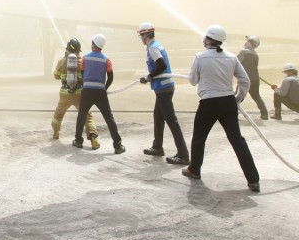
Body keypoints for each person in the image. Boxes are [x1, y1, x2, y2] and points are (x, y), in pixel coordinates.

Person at [183, 25, 260, 192]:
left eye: (206, 37)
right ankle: (253, 180)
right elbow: (245, 80)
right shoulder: (231, 57)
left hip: (209, 103)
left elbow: (192, 80)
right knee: (237, 141)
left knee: (198, 139)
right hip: (228, 102)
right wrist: (237, 98)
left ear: (209, 40)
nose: (203, 39)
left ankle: (194, 170)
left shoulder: (200, 57)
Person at [137, 22, 189, 165]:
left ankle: (183, 154)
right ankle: (157, 146)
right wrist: (150, 76)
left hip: (163, 88)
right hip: (164, 87)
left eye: (141, 35)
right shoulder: (156, 46)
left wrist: (149, 76)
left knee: (171, 121)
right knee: (158, 116)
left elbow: (162, 65)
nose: (141, 38)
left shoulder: (153, 48)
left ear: (146, 35)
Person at [73, 34, 125, 154]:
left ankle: (78, 141)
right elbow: (111, 77)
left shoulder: (85, 58)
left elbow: (82, 73)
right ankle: (117, 146)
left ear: (93, 44)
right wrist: (104, 88)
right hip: (100, 92)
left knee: (82, 115)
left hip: (87, 91)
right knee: (109, 118)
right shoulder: (106, 60)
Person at [51, 38, 100, 149]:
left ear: (67, 48)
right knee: (87, 116)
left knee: (59, 113)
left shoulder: (62, 61)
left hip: (65, 93)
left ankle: (56, 133)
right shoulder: (83, 61)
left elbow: (56, 76)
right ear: (78, 51)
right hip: (80, 94)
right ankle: (93, 139)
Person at [237, 35, 268, 120]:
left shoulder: (243, 52)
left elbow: (236, 63)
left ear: (252, 43)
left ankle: (231, 114)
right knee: (256, 96)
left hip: (245, 79)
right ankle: (264, 113)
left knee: (238, 96)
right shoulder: (256, 55)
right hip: (255, 79)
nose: (245, 42)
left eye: (247, 41)